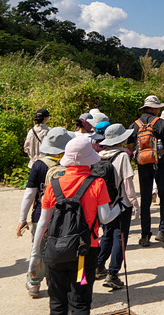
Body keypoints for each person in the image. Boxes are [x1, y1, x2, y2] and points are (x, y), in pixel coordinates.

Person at [28, 136, 120, 315]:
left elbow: (42, 223)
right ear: (89, 158)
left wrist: (35, 255)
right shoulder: (97, 183)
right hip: (85, 252)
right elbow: (105, 218)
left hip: (54, 252)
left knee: (57, 303)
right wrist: (120, 207)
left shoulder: (52, 186)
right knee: (80, 303)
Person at [16, 126, 73, 299]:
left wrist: (22, 218)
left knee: (39, 249)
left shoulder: (39, 165)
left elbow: (29, 194)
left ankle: (34, 284)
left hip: (41, 214)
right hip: (66, 215)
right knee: (62, 250)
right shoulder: (71, 163)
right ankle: (60, 284)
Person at [127, 95, 164, 246]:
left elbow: (130, 148)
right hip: (160, 163)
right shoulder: (161, 123)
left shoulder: (134, 125)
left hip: (143, 164)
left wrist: (132, 163)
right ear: (154, 108)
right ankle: (163, 231)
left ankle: (145, 236)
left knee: (145, 199)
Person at [95, 123, 139, 291]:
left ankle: (99, 266)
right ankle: (113, 274)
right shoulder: (122, 156)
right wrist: (134, 203)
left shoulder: (99, 156)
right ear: (122, 140)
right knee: (120, 237)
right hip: (121, 204)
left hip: (105, 204)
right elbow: (128, 183)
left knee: (107, 235)